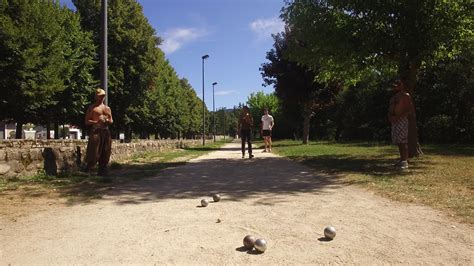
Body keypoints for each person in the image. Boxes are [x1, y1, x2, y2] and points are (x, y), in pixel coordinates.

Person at [84, 88, 113, 176]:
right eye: (100, 96)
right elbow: (86, 121)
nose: (102, 98)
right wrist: (96, 122)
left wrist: (107, 120)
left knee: (106, 150)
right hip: (96, 131)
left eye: (103, 96)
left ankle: (102, 170)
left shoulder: (107, 108)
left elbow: (111, 120)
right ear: (96, 96)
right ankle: (89, 168)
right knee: (93, 151)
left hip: (105, 131)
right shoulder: (92, 108)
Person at [388, 80, 414, 169]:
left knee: (403, 141)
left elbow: (409, 110)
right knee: (398, 141)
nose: (395, 88)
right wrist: (390, 116)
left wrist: (398, 117)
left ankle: (404, 161)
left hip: (401, 120)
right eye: (394, 86)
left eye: (397, 86)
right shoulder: (393, 97)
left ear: (401, 86)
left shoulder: (405, 96)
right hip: (394, 121)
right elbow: (391, 109)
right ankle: (401, 160)